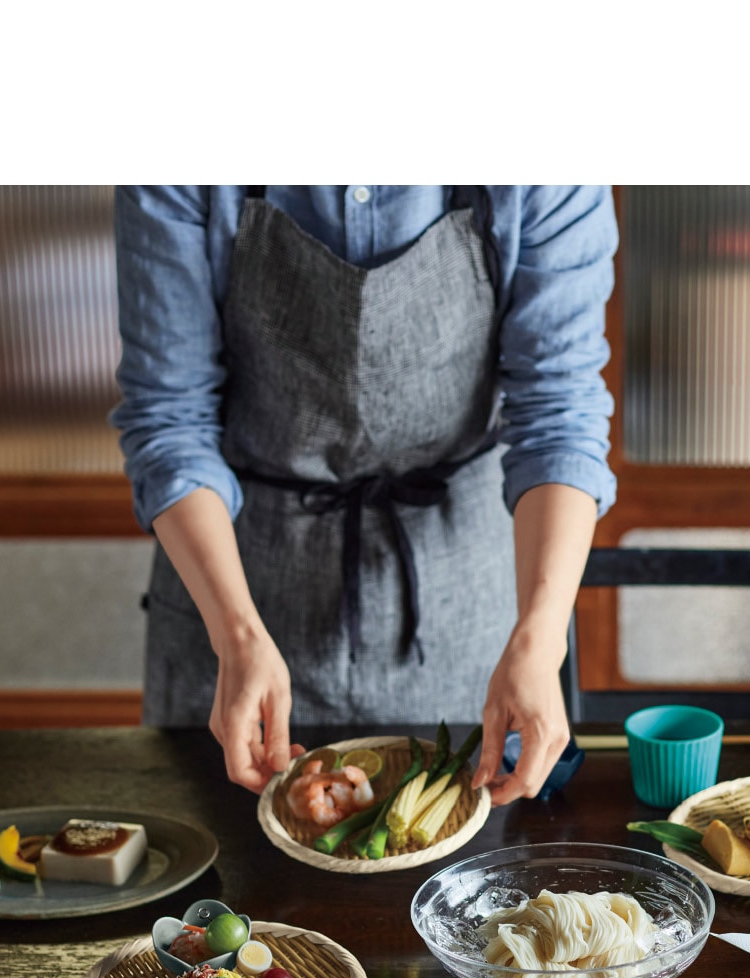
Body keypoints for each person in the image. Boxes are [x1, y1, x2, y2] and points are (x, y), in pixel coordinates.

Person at [111, 186, 617, 803]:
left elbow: (559, 415)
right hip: (239, 588)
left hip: (464, 601)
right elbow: (170, 416)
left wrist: (538, 639)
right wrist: (235, 634)